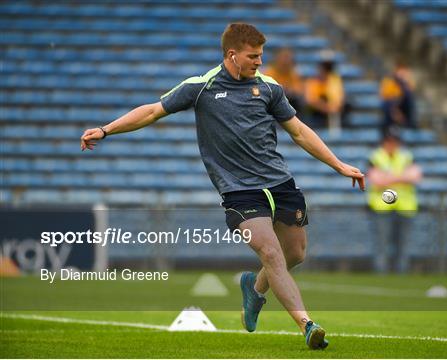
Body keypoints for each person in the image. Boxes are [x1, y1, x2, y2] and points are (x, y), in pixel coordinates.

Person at [80, 23, 365, 349]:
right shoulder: (201, 87)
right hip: (238, 191)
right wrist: (105, 130)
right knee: (271, 253)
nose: (260, 61)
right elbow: (151, 112)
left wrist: (339, 165)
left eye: (261, 55)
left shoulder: (269, 88)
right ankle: (307, 325)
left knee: (294, 254)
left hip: (280, 183)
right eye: (253, 56)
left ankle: (254, 289)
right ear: (232, 55)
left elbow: (299, 132)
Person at [367, 126, 422, 273]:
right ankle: (381, 274)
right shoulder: (375, 156)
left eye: (395, 141)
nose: (392, 144)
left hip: (405, 207)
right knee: (381, 245)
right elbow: (376, 181)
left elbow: (416, 177)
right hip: (381, 208)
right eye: (389, 141)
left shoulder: (406, 156)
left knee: (404, 245)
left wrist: (388, 177)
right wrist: (402, 177)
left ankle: (402, 275)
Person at [304, 51, 345, 129]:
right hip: (316, 113)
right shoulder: (312, 81)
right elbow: (310, 100)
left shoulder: (334, 80)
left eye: (328, 67)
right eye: (324, 67)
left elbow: (339, 99)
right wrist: (325, 107)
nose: (326, 70)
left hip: (332, 112)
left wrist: (333, 107)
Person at [379, 59, 417, 135]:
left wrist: (403, 83)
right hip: (391, 107)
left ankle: (409, 124)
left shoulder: (407, 83)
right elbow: (386, 96)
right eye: (401, 71)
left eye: (404, 71)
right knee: (389, 104)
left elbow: (409, 94)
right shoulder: (388, 81)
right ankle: (390, 127)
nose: (403, 74)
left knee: (410, 99)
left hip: (403, 108)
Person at [265, 48, 304, 118]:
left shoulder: (293, 73)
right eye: (283, 58)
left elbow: (298, 91)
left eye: (288, 59)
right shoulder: (269, 73)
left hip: (290, 104)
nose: (286, 61)